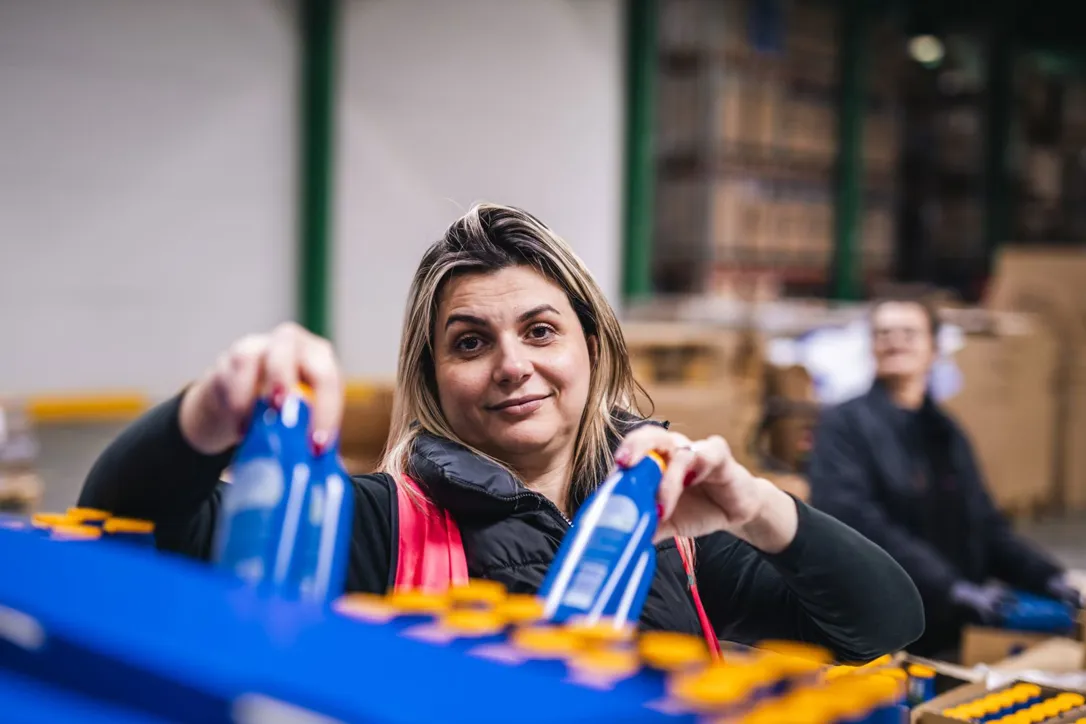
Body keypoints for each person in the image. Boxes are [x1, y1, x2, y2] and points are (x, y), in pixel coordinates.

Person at [80, 203, 923, 663]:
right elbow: (129, 534)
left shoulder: (674, 538)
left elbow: (882, 622)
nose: (512, 365)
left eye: (541, 330)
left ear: (592, 346)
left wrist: (756, 507)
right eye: (471, 342)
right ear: (435, 379)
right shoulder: (381, 526)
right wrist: (209, 415)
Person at [808, 297, 1082, 657]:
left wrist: (1052, 577)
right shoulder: (842, 426)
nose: (895, 341)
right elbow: (857, 522)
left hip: (945, 626)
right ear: (871, 346)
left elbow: (984, 524)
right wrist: (951, 587)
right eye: (883, 333)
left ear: (934, 349)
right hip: (877, 626)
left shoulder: (947, 432)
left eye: (909, 333)